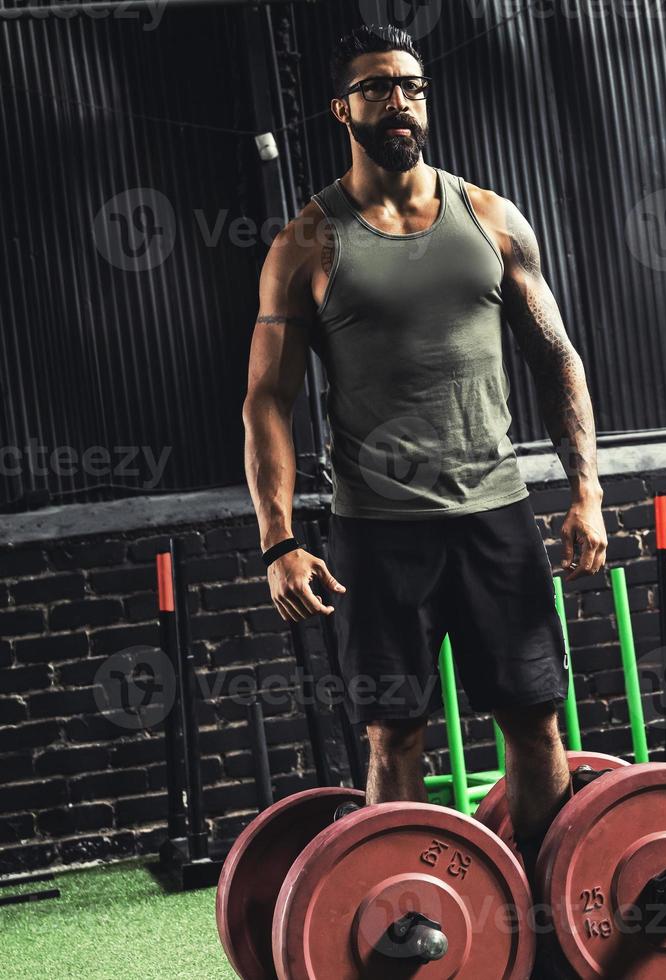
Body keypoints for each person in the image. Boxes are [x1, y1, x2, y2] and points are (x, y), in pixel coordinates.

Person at [241, 25, 606, 874]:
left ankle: (551, 919)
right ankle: (401, 917)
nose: (398, 101)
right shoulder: (308, 242)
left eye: (411, 85)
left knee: (534, 718)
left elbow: (556, 359)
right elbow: (268, 402)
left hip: (496, 516)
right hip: (377, 529)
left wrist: (585, 489)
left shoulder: (489, 216)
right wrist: (280, 541)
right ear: (343, 109)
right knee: (394, 734)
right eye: (376, 88)